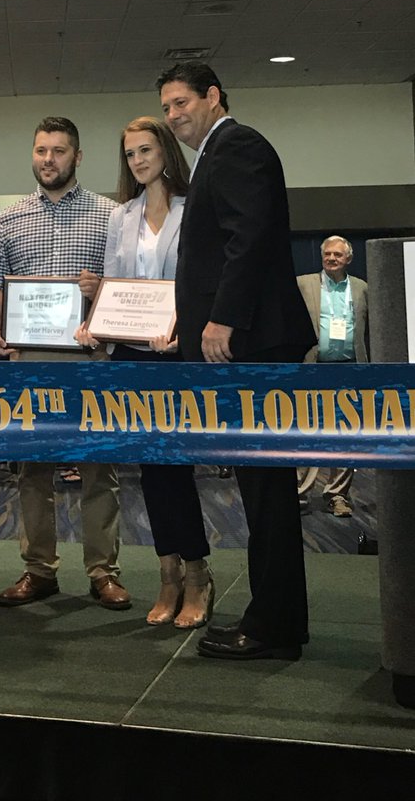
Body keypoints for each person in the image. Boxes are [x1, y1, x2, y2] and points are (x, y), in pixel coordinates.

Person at [158, 63, 315, 662]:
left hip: (252, 340)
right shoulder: (215, 156)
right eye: (167, 107)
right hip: (241, 337)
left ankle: (272, 628)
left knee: (267, 492)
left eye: (181, 103)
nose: (174, 116)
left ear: (213, 96)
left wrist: (221, 319)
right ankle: (277, 622)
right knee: (261, 490)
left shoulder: (239, 144)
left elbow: (249, 239)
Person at [0, 117, 128, 611]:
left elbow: (129, 292)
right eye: (42, 150)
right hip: (31, 359)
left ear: (78, 157)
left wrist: (100, 289)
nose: (49, 159)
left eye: (60, 151)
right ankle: (38, 570)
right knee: (32, 471)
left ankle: (103, 572)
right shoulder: (8, 220)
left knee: (98, 470)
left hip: (92, 356)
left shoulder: (112, 216)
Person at [76, 117, 213, 628]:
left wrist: (184, 330)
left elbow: (200, 283)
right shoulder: (121, 216)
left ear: (166, 153)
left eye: (146, 150)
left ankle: (198, 574)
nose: (137, 160)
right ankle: (168, 574)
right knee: (149, 470)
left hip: (177, 352)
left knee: (177, 465)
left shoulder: (193, 209)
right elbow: (116, 283)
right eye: (130, 153)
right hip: (133, 355)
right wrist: (96, 322)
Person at [296, 235, 368, 517]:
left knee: (346, 434)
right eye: (327, 254)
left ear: (348, 259)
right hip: (313, 367)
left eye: (337, 255)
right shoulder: (304, 284)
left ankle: (337, 495)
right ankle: (301, 494)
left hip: (349, 369)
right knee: (307, 431)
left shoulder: (361, 288)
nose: (331, 258)